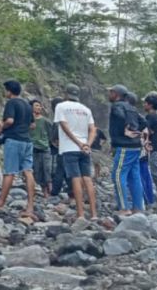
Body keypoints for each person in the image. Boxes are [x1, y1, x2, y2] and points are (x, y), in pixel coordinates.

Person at [54, 84, 97, 220]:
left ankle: (81, 214)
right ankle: (94, 214)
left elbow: (64, 126)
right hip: (85, 148)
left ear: (66, 93)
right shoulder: (86, 109)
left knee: (75, 179)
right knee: (88, 179)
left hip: (69, 148)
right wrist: (87, 144)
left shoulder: (61, 106)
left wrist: (77, 143)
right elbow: (93, 129)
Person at [0, 80, 37, 219]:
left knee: (9, 172)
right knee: (28, 171)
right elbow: (32, 125)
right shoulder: (27, 104)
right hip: (27, 141)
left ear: (9, 91)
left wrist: (1, 127)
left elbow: (10, 121)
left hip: (14, 140)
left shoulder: (11, 103)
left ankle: (0, 203)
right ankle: (30, 207)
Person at [108, 84, 144, 216]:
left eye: (110, 92)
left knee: (118, 175)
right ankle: (138, 207)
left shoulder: (117, 106)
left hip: (124, 146)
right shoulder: (132, 108)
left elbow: (120, 116)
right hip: (135, 146)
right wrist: (136, 131)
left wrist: (126, 129)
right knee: (134, 176)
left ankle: (124, 208)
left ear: (116, 94)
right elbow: (144, 122)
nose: (109, 94)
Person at [127, 92, 155, 206]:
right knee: (145, 175)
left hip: (137, 150)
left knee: (137, 176)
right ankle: (149, 200)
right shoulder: (140, 116)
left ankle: (142, 201)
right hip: (143, 151)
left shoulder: (131, 116)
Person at [31, 100, 53, 198]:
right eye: (36, 105)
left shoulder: (45, 121)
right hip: (33, 148)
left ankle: (49, 191)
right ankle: (41, 190)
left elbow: (51, 133)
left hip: (44, 148)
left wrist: (49, 142)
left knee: (47, 169)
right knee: (37, 170)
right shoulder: (28, 121)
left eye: (40, 106)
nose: (39, 108)